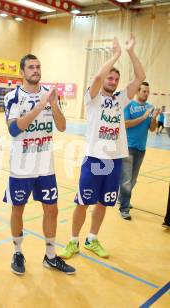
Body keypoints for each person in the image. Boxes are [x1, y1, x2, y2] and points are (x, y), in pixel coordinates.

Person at [60, 35, 145, 260]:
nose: (113, 80)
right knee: (82, 202)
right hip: (94, 158)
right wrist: (115, 54)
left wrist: (130, 52)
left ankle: (92, 238)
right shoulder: (93, 98)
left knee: (103, 203)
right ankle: (73, 241)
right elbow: (98, 75)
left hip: (114, 160)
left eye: (116, 78)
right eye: (110, 76)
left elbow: (140, 77)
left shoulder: (120, 100)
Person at [3, 54, 75, 275]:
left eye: (38, 67)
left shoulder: (49, 95)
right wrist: (39, 107)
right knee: (18, 210)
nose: (36, 70)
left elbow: (62, 127)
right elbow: (14, 129)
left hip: (46, 167)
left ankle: (51, 257)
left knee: (51, 210)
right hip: (22, 167)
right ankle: (17, 252)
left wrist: (52, 105)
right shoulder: (13, 97)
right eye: (31, 67)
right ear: (22, 72)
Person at [118, 82, 160, 220]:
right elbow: (125, 123)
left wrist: (153, 118)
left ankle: (122, 198)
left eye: (148, 91)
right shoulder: (129, 105)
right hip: (128, 147)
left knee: (133, 180)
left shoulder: (150, 108)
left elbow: (152, 129)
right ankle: (124, 207)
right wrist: (143, 117)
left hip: (141, 149)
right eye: (144, 91)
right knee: (126, 181)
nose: (146, 94)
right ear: (137, 91)